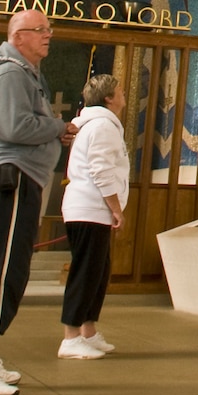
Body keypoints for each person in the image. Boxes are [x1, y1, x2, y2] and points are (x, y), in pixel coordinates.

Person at [0, 9, 76, 395]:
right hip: (12, 176)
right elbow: (14, 128)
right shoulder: (10, 73)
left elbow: (26, 123)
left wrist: (50, 132)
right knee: (4, 265)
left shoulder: (26, 75)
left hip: (25, 176)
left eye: (49, 29)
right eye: (41, 30)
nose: (48, 36)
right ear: (19, 36)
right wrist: (58, 127)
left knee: (14, 265)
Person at [58, 73, 128, 358]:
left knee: (98, 273)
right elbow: (101, 170)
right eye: (121, 91)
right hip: (90, 207)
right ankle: (71, 336)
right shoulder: (102, 126)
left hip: (91, 209)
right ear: (109, 98)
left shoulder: (98, 124)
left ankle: (88, 331)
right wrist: (116, 208)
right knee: (86, 273)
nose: (124, 95)